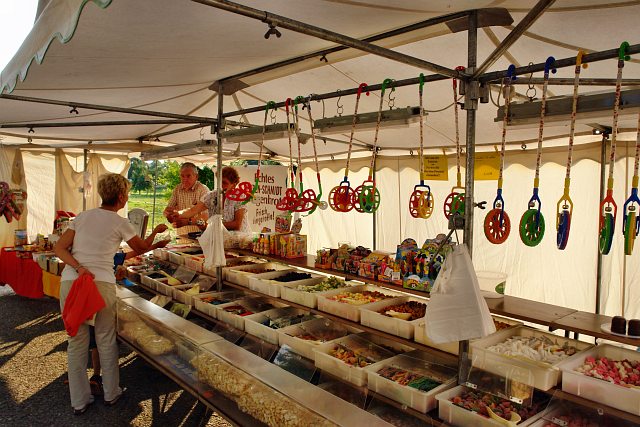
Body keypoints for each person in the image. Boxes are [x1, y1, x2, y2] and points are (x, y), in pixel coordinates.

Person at [54, 173, 170, 415]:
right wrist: (156, 232)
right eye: (126, 193)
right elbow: (142, 247)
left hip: (72, 282)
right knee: (105, 338)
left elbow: (59, 248)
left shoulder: (82, 217)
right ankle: (111, 393)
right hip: (100, 284)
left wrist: (78, 267)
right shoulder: (120, 222)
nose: (126, 197)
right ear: (120, 196)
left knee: (76, 341)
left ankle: (79, 401)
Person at [174, 166, 249, 232]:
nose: (221, 185)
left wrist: (210, 226)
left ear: (234, 184)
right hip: (219, 238)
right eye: (219, 182)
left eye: (224, 183)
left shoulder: (240, 197)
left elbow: (237, 225)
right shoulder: (212, 195)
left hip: (239, 239)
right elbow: (193, 210)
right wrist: (178, 215)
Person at [163, 162, 209, 235]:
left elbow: (205, 217)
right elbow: (168, 210)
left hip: (199, 235)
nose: (185, 179)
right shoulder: (177, 189)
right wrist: (169, 215)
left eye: (188, 176)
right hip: (181, 234)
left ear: (196, 176)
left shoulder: (203, 190)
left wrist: (187, 222)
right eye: (182, 176)